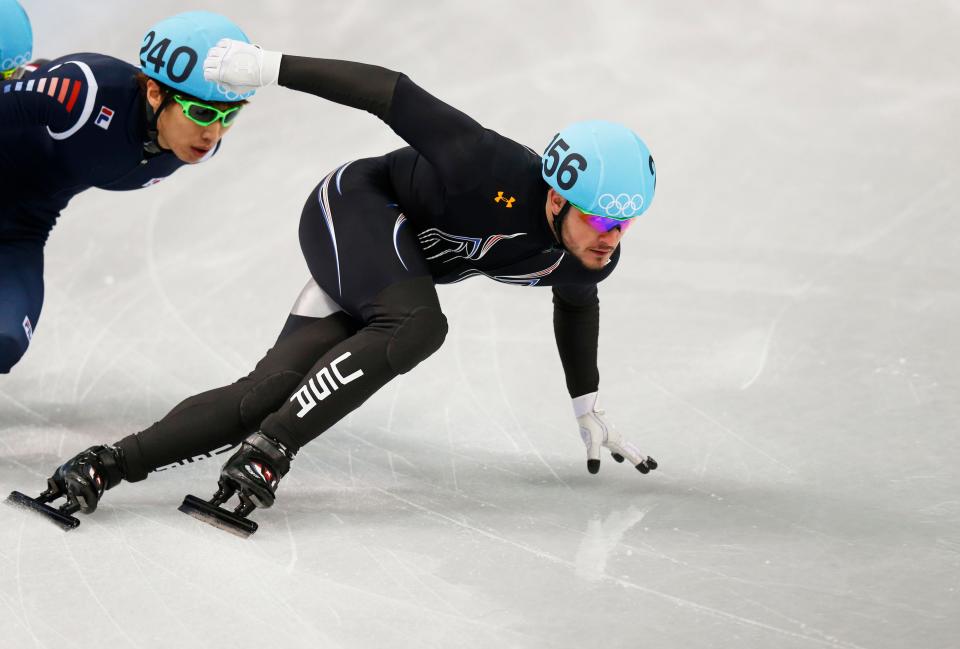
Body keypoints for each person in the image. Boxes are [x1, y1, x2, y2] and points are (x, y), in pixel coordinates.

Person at [13, 38, 659, 534]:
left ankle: (105, 464)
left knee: (259, 396)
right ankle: (274, 448)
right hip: (354, 209)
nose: (612, 236)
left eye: (626, 223)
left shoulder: (589, 257)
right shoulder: (485, 163)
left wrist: (585, 399)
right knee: (420, 325)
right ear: (556, 195)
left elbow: (578, 302)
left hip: (388, 279)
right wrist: (269, 64)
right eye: (601, 217)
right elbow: (390, 91)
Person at [0, 11, 254, 374]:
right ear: (154, 92)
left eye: (229, 116)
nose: (213, 132)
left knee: (6, 341)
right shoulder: (82, 91)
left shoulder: (201, 147)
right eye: (201, 112)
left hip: (20, 233)